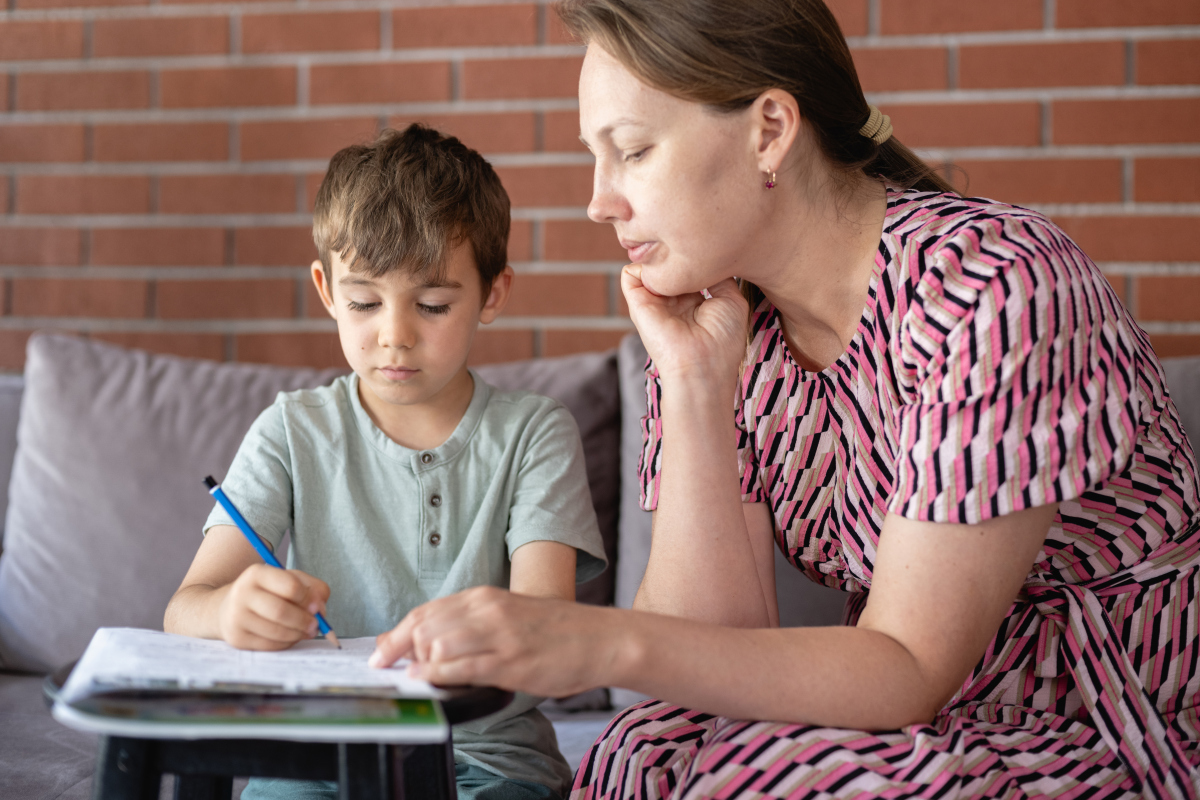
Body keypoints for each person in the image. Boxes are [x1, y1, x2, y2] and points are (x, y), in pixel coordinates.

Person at [367, 2, 1200, 798]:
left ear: (769, 130)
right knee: (640, 750)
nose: (598, 201)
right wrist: (695, 384)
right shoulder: (722, 321)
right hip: (925, 728)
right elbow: (704, 658)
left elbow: (908, 666)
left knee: (761, 780)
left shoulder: (990, 285)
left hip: (1110, 729)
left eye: (633, 151)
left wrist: (591, 638)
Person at [164, 123, 608, 800]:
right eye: (365, 302)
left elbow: (547, 628)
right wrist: (231, 611)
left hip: (484, 761)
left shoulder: (533, 434)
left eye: (432, 304)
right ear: (326, 289)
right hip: (316, 754)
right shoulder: (291, 430)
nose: (394, 335)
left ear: (492, 294)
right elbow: (184, 609)